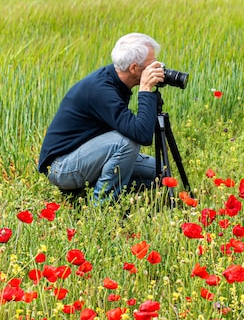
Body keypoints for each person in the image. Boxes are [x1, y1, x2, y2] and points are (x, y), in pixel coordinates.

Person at [38, 33, 166, 202]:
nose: (157, 68)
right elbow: (141, 134)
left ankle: (84, 192)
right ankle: (103, 208)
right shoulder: (101, 90)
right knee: (126, 142)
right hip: (61, 167)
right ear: (134, 68)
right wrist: (145, 90)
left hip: (84, 155)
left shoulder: (116, 79)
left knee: (160, 173)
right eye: (152, 64)